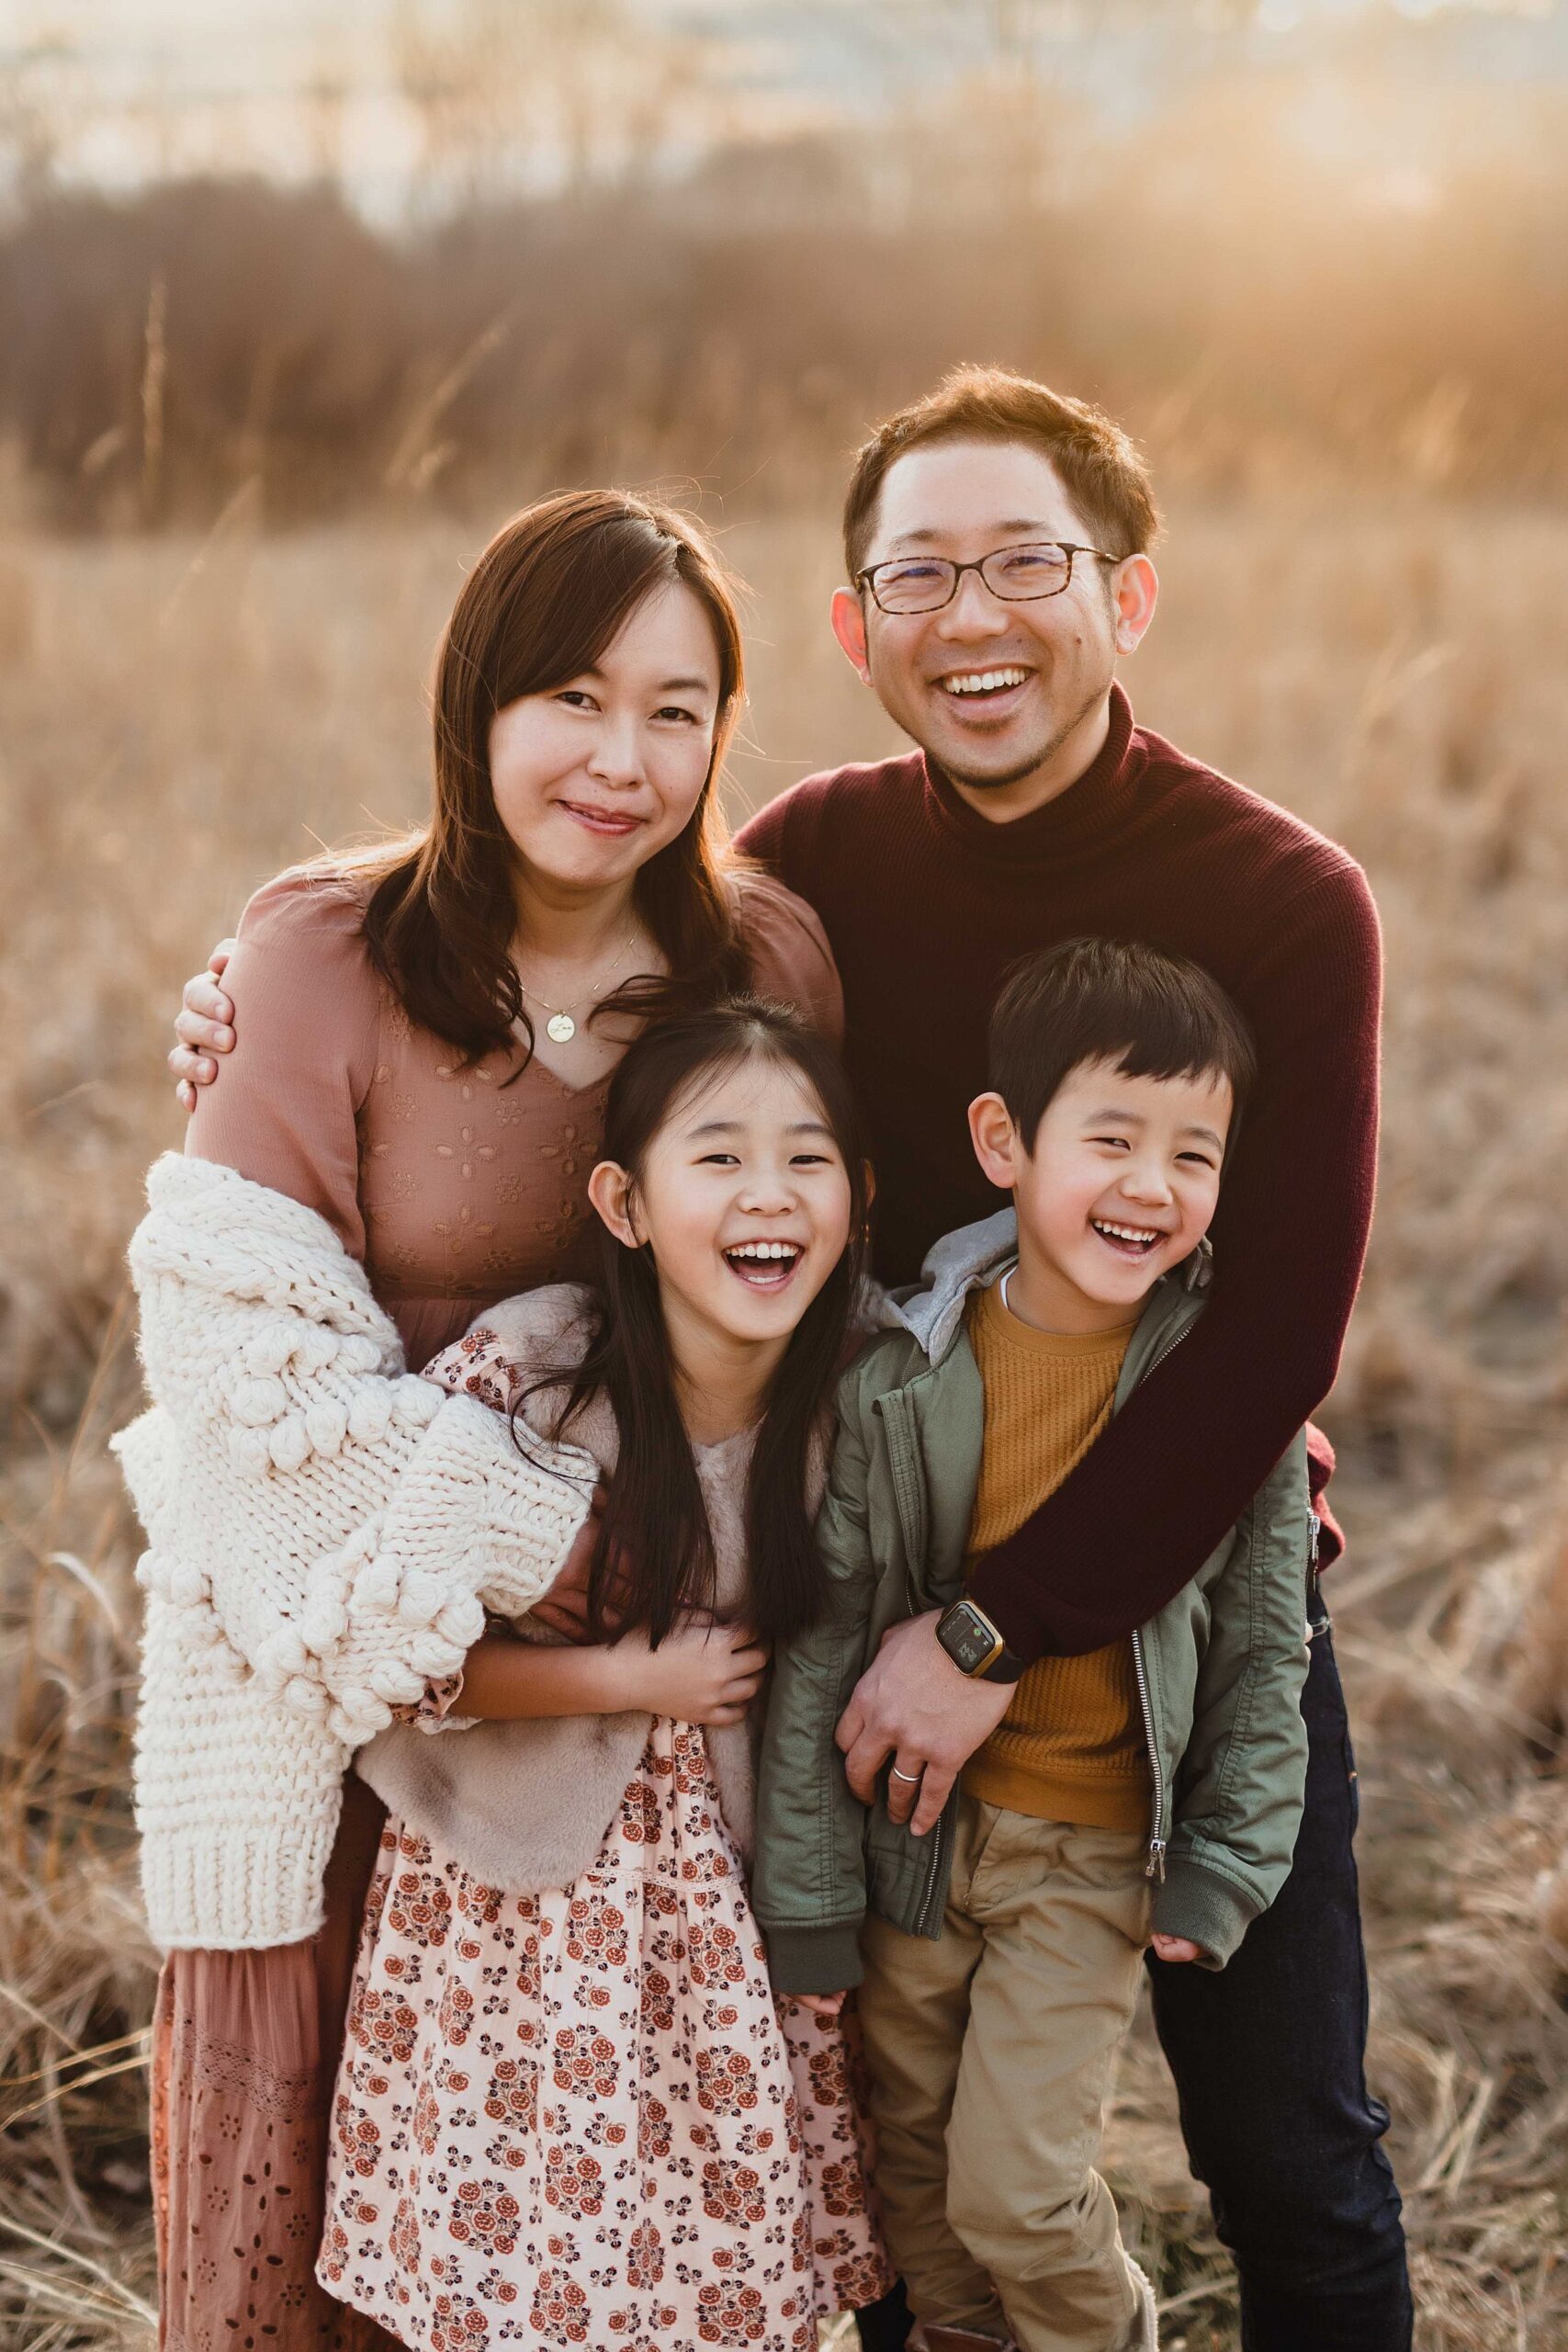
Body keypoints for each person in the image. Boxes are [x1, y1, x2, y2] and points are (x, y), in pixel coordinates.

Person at [174, 367, 1409, 2349]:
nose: (972, 616)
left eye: (1027, 563)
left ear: (1129, 595)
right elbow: (596, 1013)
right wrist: (255, 979)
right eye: (916, 572)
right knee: (895, 2153)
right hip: (879, 1585)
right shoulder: (813, 875)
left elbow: (1271, 1336)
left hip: (1167, 1597)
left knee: (1287, 2150)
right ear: (851, 629)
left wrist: (1002, 1625)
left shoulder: (1279, 899)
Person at [124, 488, 852, 2352]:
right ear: (477, 703)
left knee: (622, 2234)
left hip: (661, 1742)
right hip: (364, 1678)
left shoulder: (761, 960)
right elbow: (245, 1389)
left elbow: (835, 1288)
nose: (624, 760)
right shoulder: (320, 959)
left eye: (678, 709)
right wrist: (557, 1551)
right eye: (573, 697)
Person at [752, 939, 1312, 2352]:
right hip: (914, 1845)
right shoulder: (907, 1373)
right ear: (1003, 1142)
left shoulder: (1216, 1396)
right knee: (921, 2204)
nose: (1151, 1185)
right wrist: (810, 1896)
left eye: (1196, 1155)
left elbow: (1262, 1651)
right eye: (1111, 1137)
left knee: (1017, 2196)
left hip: (1086, 1860)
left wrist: (1229, 1865)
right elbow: (833, 1638)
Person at [314, 997, 892, 2349]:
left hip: (749, 1915)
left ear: (861, 1197)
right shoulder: (536, 1380)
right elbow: (381, 1660)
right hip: (532, 1924)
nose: (770, 1196)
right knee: (533, 2270)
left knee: (721, 2263)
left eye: (808, 1160)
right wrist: (632, 1679)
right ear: (625, 1205)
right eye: (720, 1158)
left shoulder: (872, 1383)